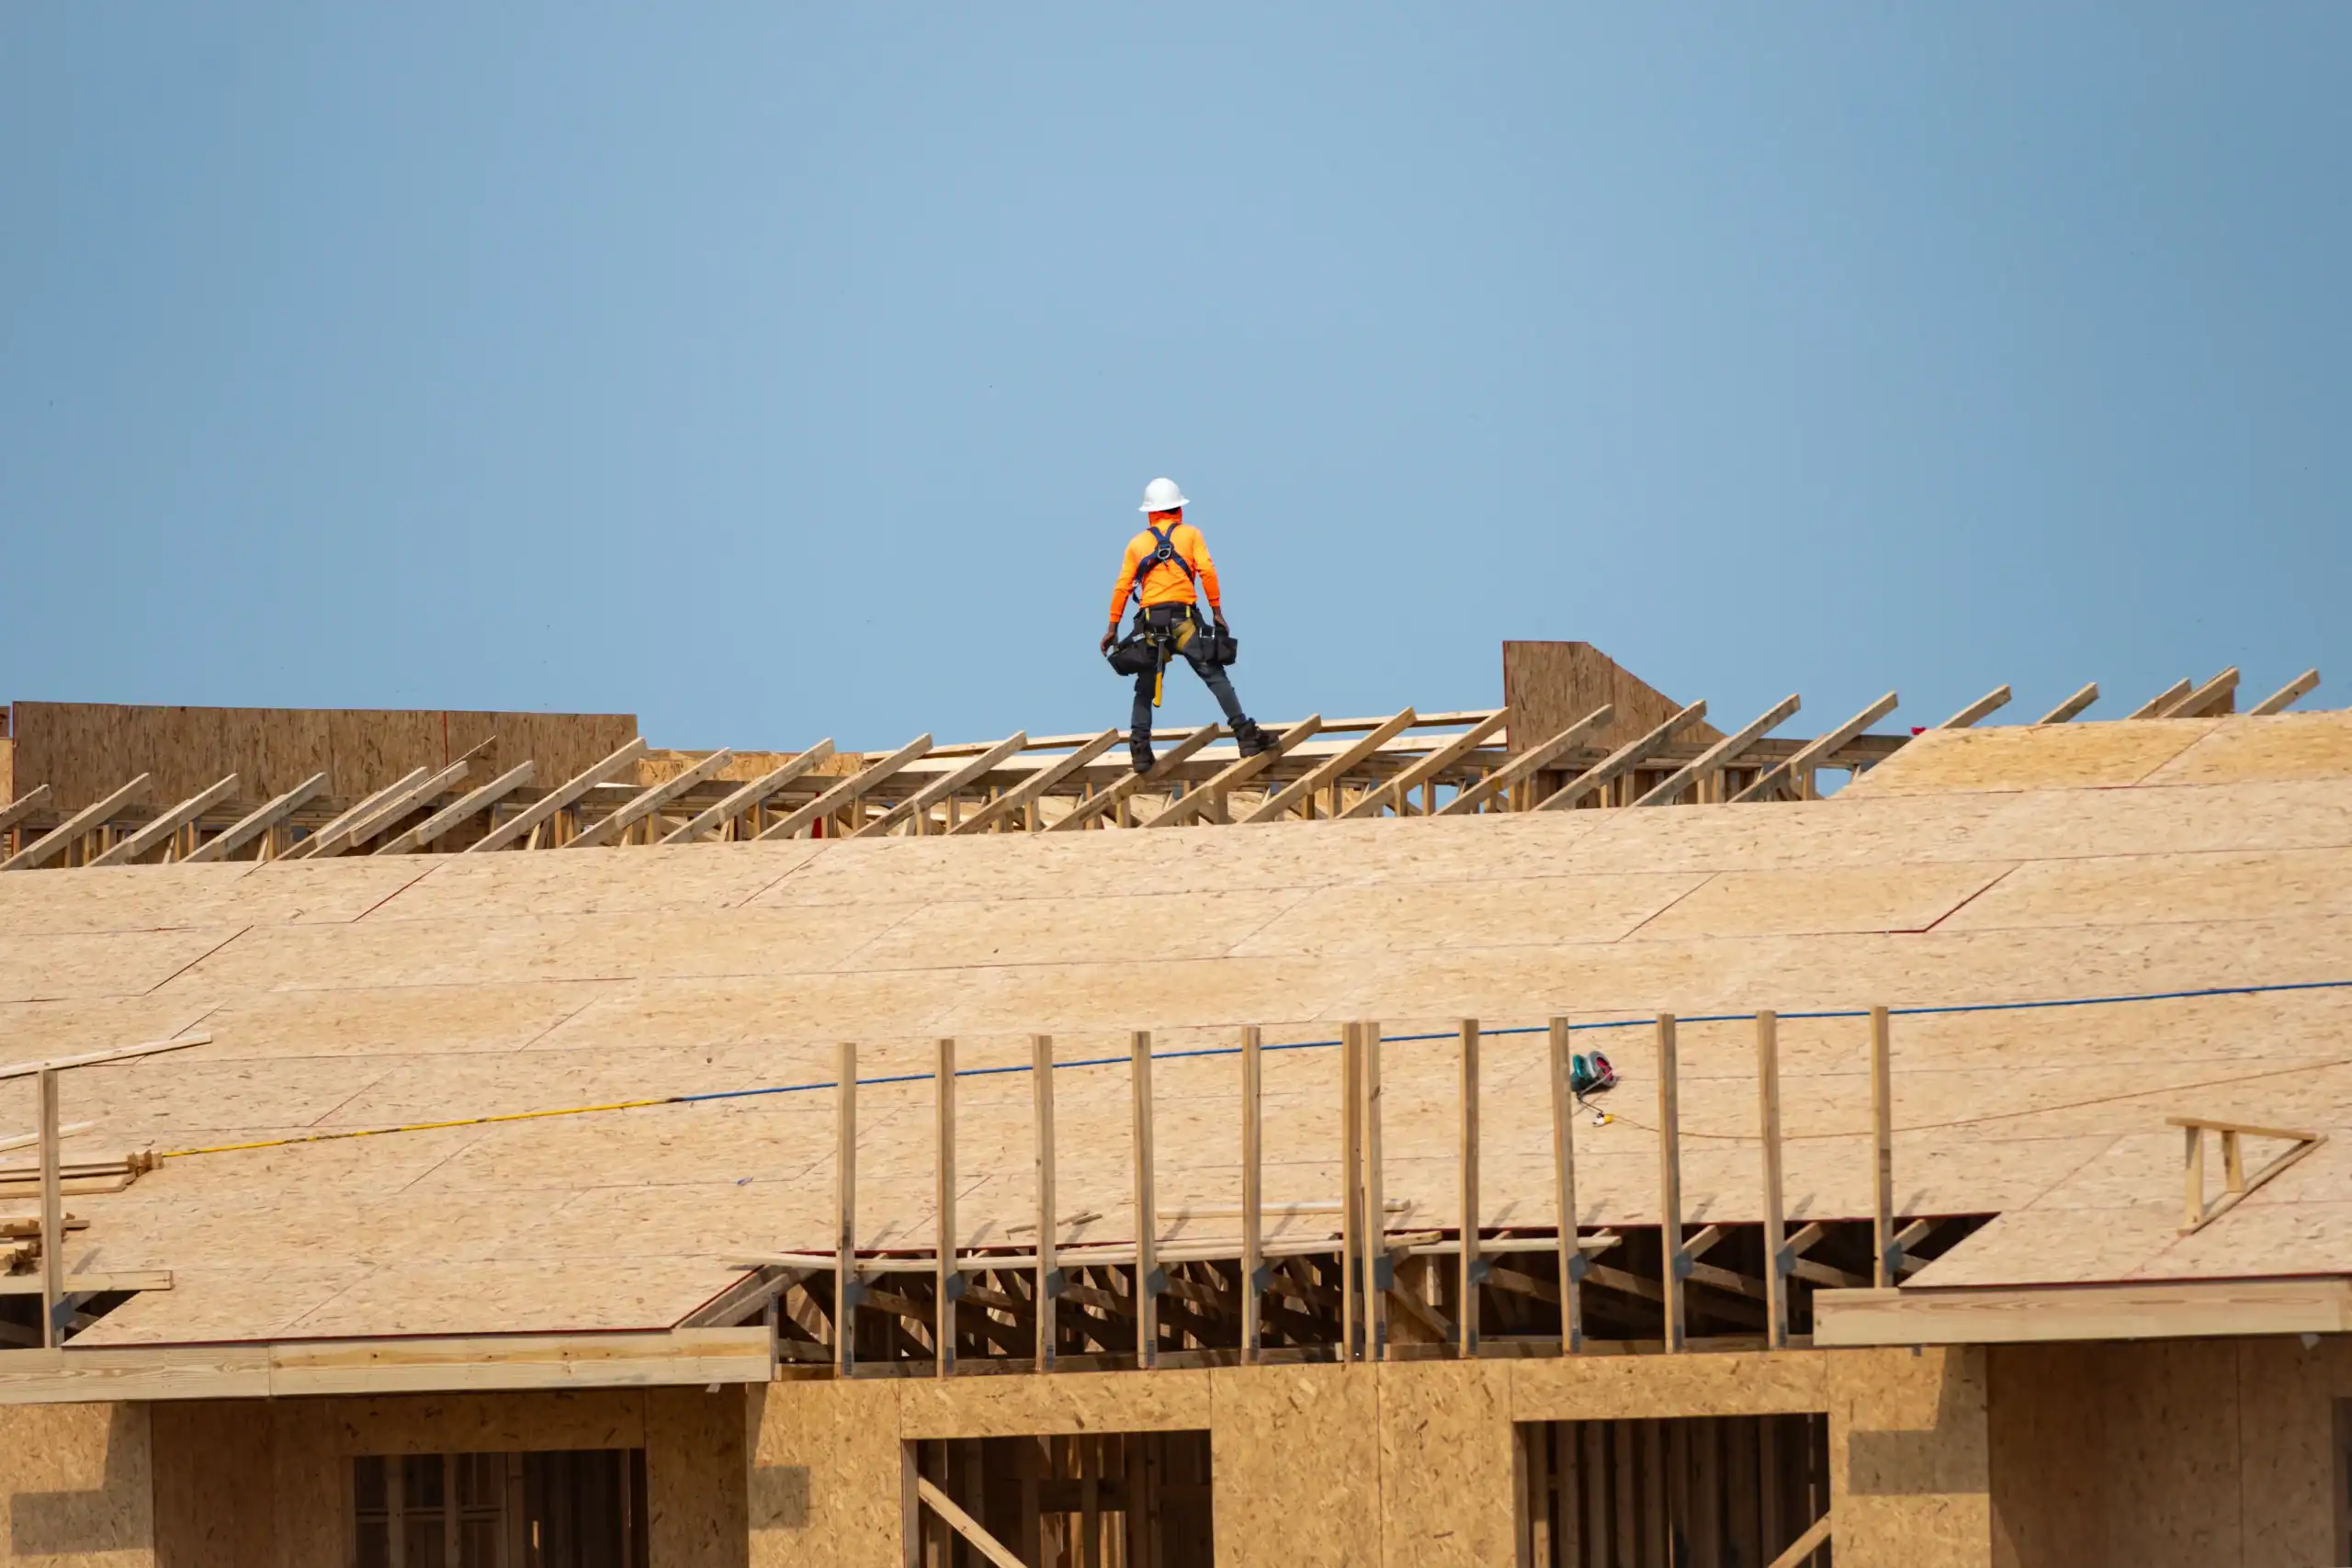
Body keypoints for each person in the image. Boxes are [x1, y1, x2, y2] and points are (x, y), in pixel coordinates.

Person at [1101, 477, 1272, 773]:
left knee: (1144, 686)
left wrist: (1112, 628)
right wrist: (1217, 611)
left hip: (1152, 624)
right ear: (1178, 510)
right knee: (1215, 677)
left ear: (1150, 513)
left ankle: (1140, 754)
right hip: (1185, 623)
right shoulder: (1191, 535)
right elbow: (1207, 572)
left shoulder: (1137, 544)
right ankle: (1246, 737)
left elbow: (1122, 587)